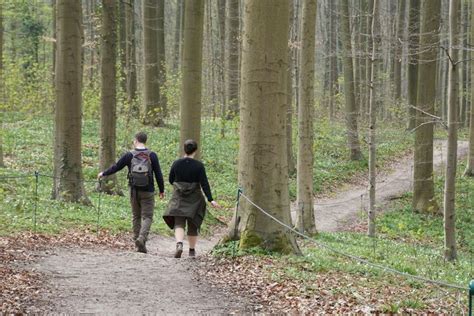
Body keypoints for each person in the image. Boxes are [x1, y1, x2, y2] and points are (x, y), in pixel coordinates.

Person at [97, 132, 164, 254]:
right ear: (145, 141)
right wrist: (162, 190)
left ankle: (137, 242)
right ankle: (142, 238)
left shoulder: (129, 155)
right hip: (148, 191)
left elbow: (117, 167)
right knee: (147, 216)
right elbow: (158, 174)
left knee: (136, 216)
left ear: (136, 140)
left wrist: (104, 173)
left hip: (134, 190)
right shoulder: (152, 155)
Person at [163, 139, 220, 258]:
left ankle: (179, 244)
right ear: (196, 150)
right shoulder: (199, 166)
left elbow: (170, 179)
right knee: (193, 224)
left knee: (179, 222)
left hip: (179, 196)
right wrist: (211, 199)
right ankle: (192, 251)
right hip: (195, 199)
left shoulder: (176, 163)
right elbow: (204, 183)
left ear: (184, 149)